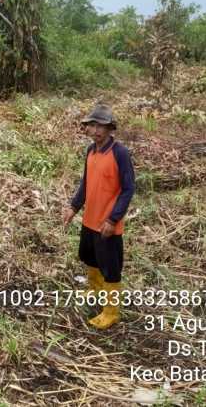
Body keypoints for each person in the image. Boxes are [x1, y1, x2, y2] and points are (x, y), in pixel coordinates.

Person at [62, 104, 135, 330]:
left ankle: (111, 312)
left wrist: (113, 219)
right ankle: (94, 292)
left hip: (107, 223)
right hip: (90, 219)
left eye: (100, 126)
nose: (95, 130)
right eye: (92, 125)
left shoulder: (119, 153)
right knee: (91, 258)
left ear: (110, 128)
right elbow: (86, 182)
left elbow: (128, 188)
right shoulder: (91, 151)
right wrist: (74, 206)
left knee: (110, 268)